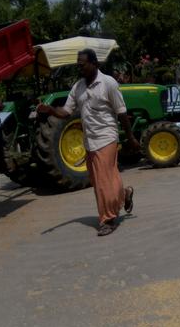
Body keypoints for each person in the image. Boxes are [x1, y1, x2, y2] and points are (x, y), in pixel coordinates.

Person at [36, 49, 138, 236]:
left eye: (82, 65)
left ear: (94, 63)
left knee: (103, 181)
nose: (79, 68)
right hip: (89, 140)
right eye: (78, 65)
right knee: (103, 178)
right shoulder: (78, 87)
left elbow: (122, 112)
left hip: (107, 136)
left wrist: (130, 138)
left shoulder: (108, 83)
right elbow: (66, 111)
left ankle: (108, 219)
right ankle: (124, 194)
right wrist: (50, 109)